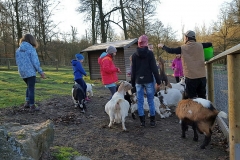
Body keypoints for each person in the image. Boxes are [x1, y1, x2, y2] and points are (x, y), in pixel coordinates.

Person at [158, 30, 212, 99]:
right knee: (202, 97)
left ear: (187, 38)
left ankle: (193, 109)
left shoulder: (183, 48)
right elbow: (210, 44)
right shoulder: (201, 45)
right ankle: (203, 109)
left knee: (191, 98)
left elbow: (170, 50)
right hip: (202, 77)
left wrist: (163, 46)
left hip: (191, 78)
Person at [131, 35, 161, 127]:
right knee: (150, 101)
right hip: (148, 80)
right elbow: (154, 69)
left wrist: (133, 83)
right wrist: (158, 81)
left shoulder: (134, 55)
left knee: (140, 101)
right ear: (146, 43)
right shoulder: (150, 54)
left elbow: (133, 70)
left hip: (138, 81)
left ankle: (142, 122)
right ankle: (152, 121)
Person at [15, 34, 46, 111]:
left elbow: (17, 62)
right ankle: (32, 106)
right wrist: (41, 72)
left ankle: (27, 102)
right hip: (30, 72)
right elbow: (35, 62)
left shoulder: (18, 50)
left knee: (29, 86)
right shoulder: (31, 49)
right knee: (31, 88)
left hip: (22, 72)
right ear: (32, 40)